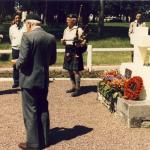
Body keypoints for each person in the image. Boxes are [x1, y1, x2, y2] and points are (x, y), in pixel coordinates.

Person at [12, 14, 56, 150]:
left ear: (30, 24)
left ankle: (33, 143)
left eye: (26, 24)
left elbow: (23, 60)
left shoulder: (27, 36)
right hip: (43, 79)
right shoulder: (51, 38)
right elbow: (52, 60)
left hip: (29, 80)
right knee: (43, 107)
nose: (26, 27)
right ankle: (45, 139)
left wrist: (16, 63)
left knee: (30, 111)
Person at [61, 14, 86, 97]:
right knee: (69, 69)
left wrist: (80, 43)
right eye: (67, 19)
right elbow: (64, 42)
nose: (67, 21)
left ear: (74, 21)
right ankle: (73, 86)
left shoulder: (78, 30)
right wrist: (63, 42)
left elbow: (84, 41)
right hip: (68, 50)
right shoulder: (65, 30)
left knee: (76, 70)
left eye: (69, 20)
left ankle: (78, 89)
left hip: (76, 50)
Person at [9, 13, 25, 88]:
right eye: (16, 18)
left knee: (23, 65)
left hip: (22, 49)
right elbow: (11, 38)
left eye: (18, 18)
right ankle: (16, 82)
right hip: (15, 49)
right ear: (14, 19)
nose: (17, 19)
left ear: (20, 19)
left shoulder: (24, 27)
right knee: (15, 66)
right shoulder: (11, 28)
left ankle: (23, 81)